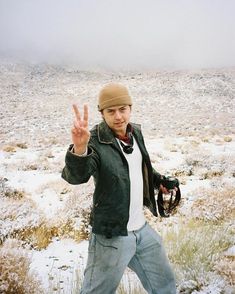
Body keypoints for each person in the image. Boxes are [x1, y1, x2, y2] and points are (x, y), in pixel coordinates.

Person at [62, 83, 176, 294]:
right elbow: (76, 177)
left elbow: (137, 167)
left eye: (122, 109)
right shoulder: (95, 140)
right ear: (102, 113)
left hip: (142, 231)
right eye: (110, 111)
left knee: (165, 286)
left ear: (130, 108)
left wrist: (157, 180)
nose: (118, 116)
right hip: (112, 236)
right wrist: (79, 148)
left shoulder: (135, 133)